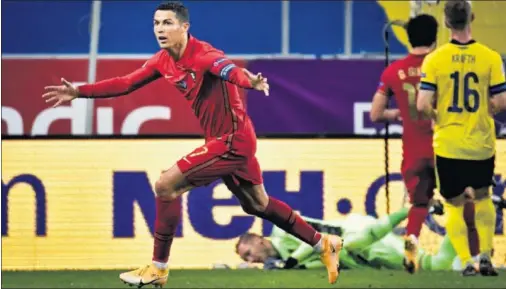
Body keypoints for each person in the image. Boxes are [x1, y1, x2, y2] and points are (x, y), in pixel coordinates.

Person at [41, 1, 342, 287]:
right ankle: (322, 242)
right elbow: (126, 83)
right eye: (156, 23)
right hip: (227, 139)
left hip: (231, 141)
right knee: (257, 204)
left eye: (168, 23)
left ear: (184, 26)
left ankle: (158, 268)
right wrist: (80, 92)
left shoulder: (204, 55)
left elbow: (229, 70)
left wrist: (250, 82)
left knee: (165, 185)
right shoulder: (163, 60)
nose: (160, 29)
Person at [416, 0, 506, 276]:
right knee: (482, 197)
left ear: (445, 22)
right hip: (481, 143)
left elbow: (421, 105)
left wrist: (438, 116)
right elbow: (501, 101)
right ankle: (486, 255)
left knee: (454, 202)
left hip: (448, 143)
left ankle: (467, 261)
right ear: (472, 18)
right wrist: (484, 112)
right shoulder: (490, 56)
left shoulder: (435, 59)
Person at [235, 197, 506, 272]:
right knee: (434, 266)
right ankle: (469, 214)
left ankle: (463, 209)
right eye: (247, 259)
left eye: (249, 253)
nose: (251, 259)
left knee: (432, 266)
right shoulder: (281, 262)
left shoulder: (281, 230)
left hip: (359, 238)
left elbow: (319, 243)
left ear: (259, 240)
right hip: (359, 256)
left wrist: (289, 263)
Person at [370, 14, 439, 273]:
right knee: (463, 199)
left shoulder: (392, 71)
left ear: (408, 38)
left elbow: (375, 115)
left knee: (419, 204)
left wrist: (396, 114)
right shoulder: (442, 64)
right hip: (446, 145)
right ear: (435, 37)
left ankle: (411, 242)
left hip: (413, 149)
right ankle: (473, 257)